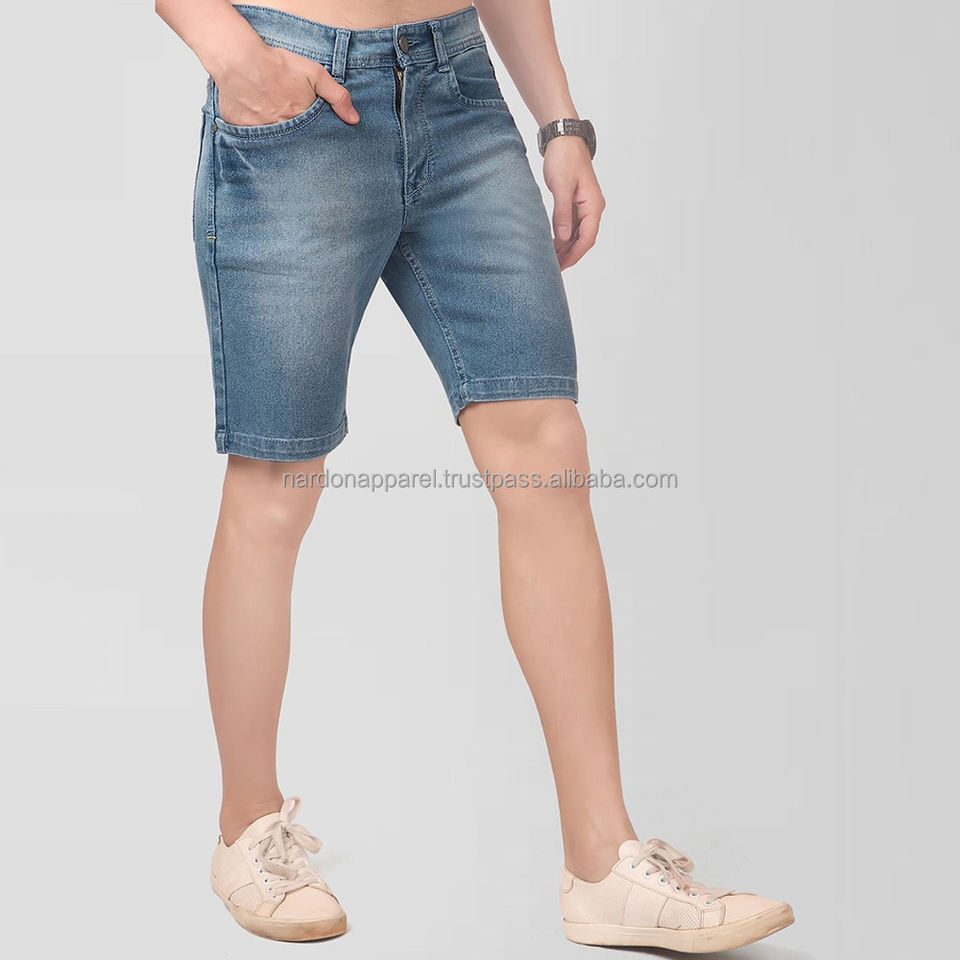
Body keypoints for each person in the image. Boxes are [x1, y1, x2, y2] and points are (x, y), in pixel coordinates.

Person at [157, 0, 794, 950]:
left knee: (547, 450)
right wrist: (237, 57)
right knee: (277, 481)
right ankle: (246, 830)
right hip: (296, 104)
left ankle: (603, 864)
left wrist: (561, 121)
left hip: (459, 96)